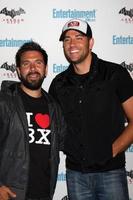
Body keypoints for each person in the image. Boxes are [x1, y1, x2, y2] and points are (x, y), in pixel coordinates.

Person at [49, 18, 133, 200]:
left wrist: (111, 151)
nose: (72, 43)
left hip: (111, 173)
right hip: (75, 174)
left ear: (91, 42)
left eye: (79, 37)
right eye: (67, 39)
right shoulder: (58, 84)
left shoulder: (115, 74)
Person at [0, 41, 66, 200]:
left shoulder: (54, 107)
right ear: (18, 70)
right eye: (26, 63)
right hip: (11, 195)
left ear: (46, 69)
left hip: (44, 194)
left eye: (38, 63)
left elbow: (67, 142)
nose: (33, 68)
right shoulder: (4, 102)